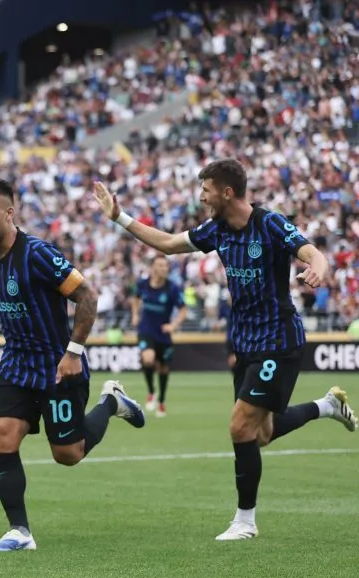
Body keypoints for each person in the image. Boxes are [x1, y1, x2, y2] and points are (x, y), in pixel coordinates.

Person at [93, 159, 357, 541]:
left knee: (238, 426)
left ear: (227, 192)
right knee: (260, 434)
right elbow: (168, 244)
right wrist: (121, 217)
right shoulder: (215, 230)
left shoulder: (269, 224)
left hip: (278, 341)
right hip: (246, 342)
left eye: (206, 189)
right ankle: (326, 407)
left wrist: (319, 267)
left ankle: (245, 522)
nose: (201, 196)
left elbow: (312, 251)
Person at [0, 178, 145, 552]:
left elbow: (87, 296)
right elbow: (5, 306)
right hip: (17, 364)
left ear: (9, 213)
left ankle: (111, 402)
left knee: (68, 454)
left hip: (57, 365)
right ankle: (20, 531)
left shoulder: (37, 253)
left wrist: (73, 353)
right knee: (2, 435)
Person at [131, 256, 187, 417]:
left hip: (163, 333)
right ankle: (151, 391)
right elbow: (135, 298)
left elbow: (183, 310)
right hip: (146, 330)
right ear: (153, 268)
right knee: (148, 359)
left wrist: (173, 325)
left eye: (166, 266)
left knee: (163, 368)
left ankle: (161, 400)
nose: (164, 269)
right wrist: (135, 315)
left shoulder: (172, 288)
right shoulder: (143, 284)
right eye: (161, 265)